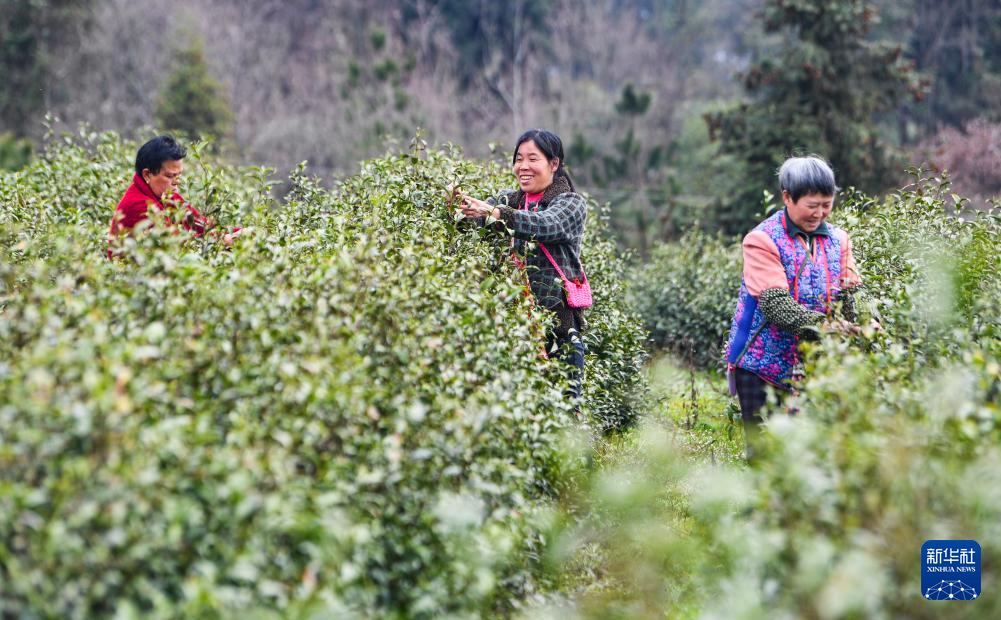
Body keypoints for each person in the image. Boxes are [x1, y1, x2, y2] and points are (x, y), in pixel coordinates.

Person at [723, 156, 862, 451]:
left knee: (808, 453)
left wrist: (867, 319)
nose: (820, 214)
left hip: (813, 364)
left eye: (827, 205)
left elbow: (853, 291)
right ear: (787, 197)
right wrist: (830, 327)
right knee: (766, 453)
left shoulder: (839, 240)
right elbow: (776, 305)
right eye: (812, 206)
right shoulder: (761, 240)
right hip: (761, 365)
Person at [460, 129, 589, 404]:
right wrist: (461, 207)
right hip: (514, 326)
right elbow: (474, 224)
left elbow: (544, 225)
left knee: (563, 408)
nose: (523, 166)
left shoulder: (571, 203)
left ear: (554, 164)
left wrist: (494, 213)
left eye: (533, 158)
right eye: (519, 159)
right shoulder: (508, 200)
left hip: (557, 325)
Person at [107, 135, 237, 258]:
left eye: (179, 175)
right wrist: (222, 241)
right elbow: (179, 245)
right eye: (170, 176)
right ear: (147, 174)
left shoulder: (166, 196)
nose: (177, 182)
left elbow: (202, 225)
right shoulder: (138, 205)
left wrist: (239, 233)